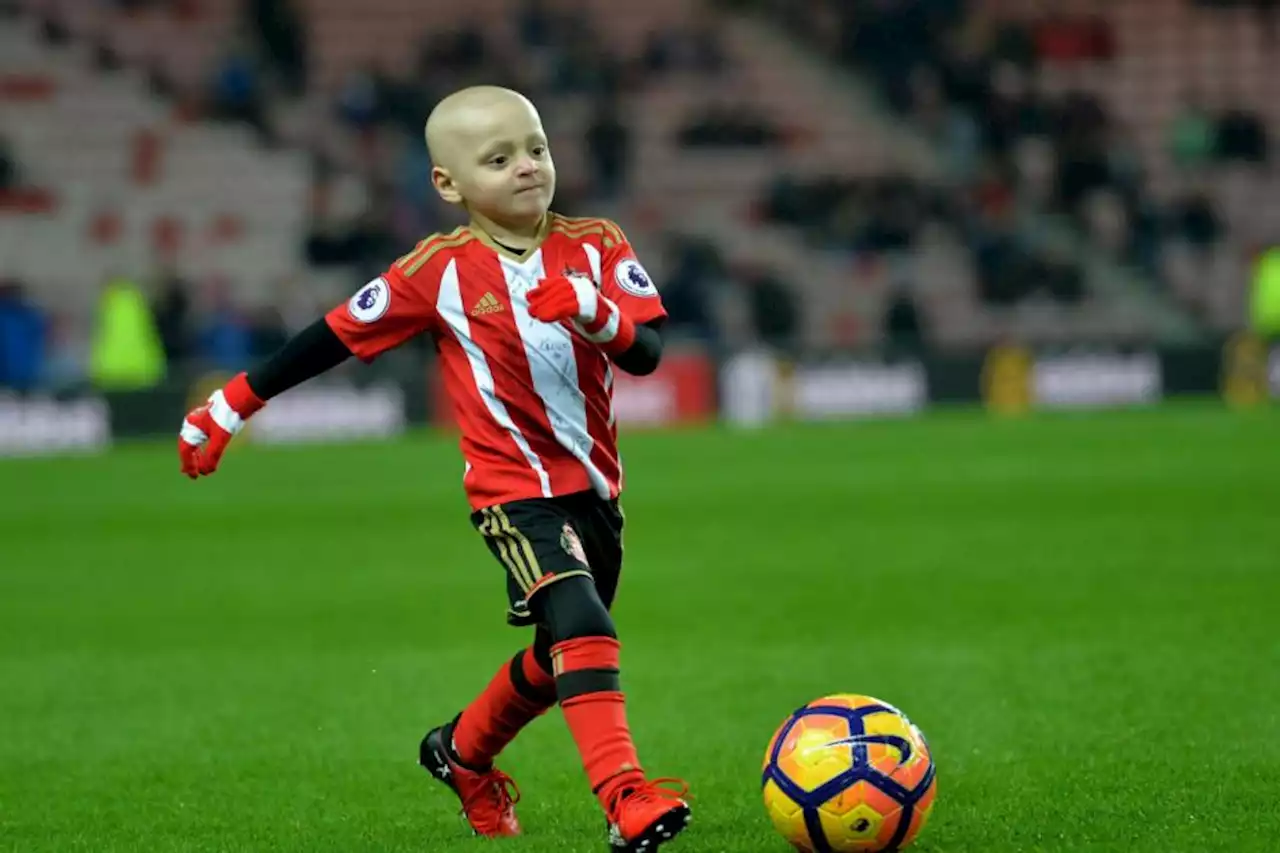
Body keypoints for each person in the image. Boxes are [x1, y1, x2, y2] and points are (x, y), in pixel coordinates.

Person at [175, 86, 691, 851]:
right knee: (583, 622)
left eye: (536, 148)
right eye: (499, 158)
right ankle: (625, 799)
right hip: (512, 494)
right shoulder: (436, 271)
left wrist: (593, 308)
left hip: (596, 490)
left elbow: (645, 355)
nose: (527, 168)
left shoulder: (597, 243)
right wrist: (232, 403)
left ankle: (458, 753)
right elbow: (334, 336)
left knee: (562, 659)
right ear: (448, 185)